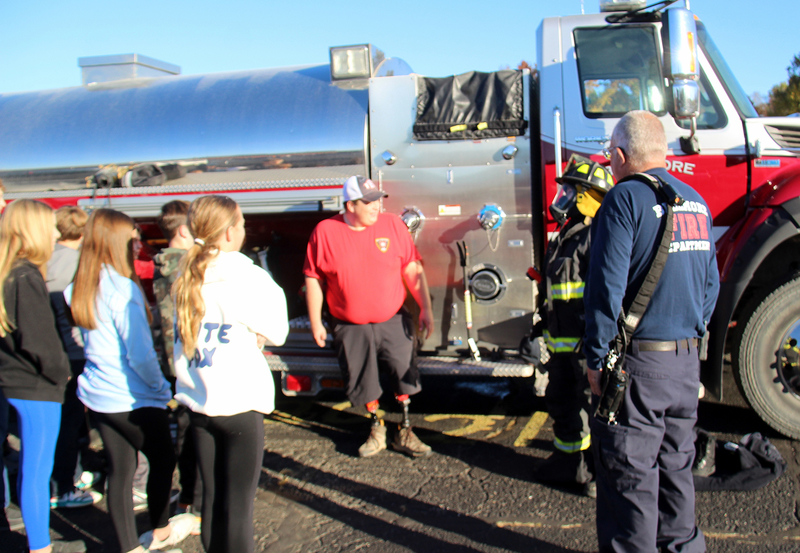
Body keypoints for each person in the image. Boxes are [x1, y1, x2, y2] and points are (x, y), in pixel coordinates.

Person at [584, 111, 720, 553]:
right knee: (676, 472)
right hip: (685, 363)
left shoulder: (623, 199)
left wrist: (597, 358)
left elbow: (606, 289)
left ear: (622, 155)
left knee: (630, 480)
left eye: (611, 155)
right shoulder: (695, 201)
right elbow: (711, 286)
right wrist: (690, 341)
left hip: (639, 369)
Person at [65, 208, 195, 553]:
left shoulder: (78, 286)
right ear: (115, 242)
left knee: (120, 472)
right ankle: (160, 532)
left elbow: (81, 337)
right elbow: (140, 355)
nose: (139, 245)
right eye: (133, 239)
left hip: (98, 394)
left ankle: (129, 547)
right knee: (163, 461)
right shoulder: (123, 290)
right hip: (132, 398)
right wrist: (162, 390)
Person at [173, 195, 288, 553]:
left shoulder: (186, 274)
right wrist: (256, 333)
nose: (244, 229)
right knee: (238, 509)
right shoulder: (249, 276)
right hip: (239, 405)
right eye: (241, 224)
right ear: (228, 232)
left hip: (198, 403)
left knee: (211, 501)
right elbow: (278, 330)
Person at [304, 175, 434, 458]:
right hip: (349, 324)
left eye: (378, 200)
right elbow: (314, 278)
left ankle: (406, 430)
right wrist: (315, 321)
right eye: (369, 202)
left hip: (392, 317)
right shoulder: (325, 231)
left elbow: (412, 267)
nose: (377, 207)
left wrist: (425, 307)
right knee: (362, 378)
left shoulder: (393, 225)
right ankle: (376, 428)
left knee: (404, 373)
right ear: (350, 205)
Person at [523, 156, 614, 498]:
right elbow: (554, 289)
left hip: (584, 345)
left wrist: (595, 341)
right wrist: (540, 328)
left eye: (570, 191)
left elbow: (606, 294)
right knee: (563, 402)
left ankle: (598, 473)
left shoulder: (598, 235)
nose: (562, 197)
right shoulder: (566, 234)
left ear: (587, 197)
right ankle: (569, 463)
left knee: (595, 409)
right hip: (562, 344)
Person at [0, 199, 86, 553]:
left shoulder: (9, 271)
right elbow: (40, 341)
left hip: (13, 380)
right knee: (36, 472)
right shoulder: (26, 275)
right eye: (49, 225)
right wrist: (62, 373)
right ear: (32, 230)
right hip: (36, 385)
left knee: (27, 470)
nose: (55, 233)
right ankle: (40, 547)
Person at [46, 207, 102, 510]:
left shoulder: (45, 259)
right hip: (76, 349)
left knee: (63, 420)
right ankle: (65, 485)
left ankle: (69, 476)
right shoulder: (79, 264)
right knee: (71, 421)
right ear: (82, 232)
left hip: (52, 350)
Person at [153, 200, 201, 519]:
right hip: (189, 359)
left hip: (170, 359)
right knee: (192, 432)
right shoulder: (185, 266)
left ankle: (187, 496)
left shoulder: (163, 263)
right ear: (184, 230)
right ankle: (191, 499)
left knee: (184, 428)